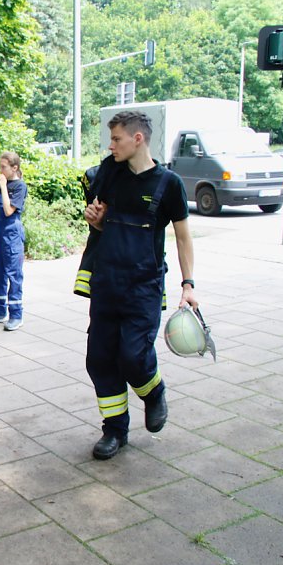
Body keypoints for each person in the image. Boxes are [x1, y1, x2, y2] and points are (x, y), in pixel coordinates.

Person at [84, 111, 198, 460]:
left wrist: (188, 284)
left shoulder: (168, 184)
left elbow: (182, 237)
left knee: (133, 356)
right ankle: (115, 431)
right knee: (100, 359)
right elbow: (102, 226)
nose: (110, 145)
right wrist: (97, 223)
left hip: (142, 287)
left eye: (116, 138)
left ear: (138, 139)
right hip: (106, 283)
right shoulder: (110, 175)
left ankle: (154, 392)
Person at [0, 151, 28, 331]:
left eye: (3, 167)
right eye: (0, 166)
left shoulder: (19, 186)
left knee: (14, 275)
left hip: (12, 236)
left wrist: (3, 187)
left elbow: (9, 210)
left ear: (14, 168)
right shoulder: (2, 183)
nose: (0, 170)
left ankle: (16, 315)